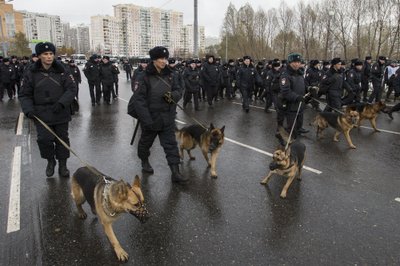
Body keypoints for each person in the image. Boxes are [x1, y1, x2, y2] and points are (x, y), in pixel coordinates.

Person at [19, 42, 76, 177]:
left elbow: (71, 89)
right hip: (41, 114)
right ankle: (51, 162)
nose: (49, 57)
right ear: (39, 56)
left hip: (60, 112)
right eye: (45, 54)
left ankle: (63, 165)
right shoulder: (31, 73)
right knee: (44, 140)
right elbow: (24, 94)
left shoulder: (63, 70)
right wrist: (29, 110)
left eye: (51, 53)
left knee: (62, 140)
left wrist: (62, 103)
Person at [132, 46, 187, 183]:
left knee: (171, 146)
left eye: (165, 58)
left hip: (167, 117)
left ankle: (175, 173)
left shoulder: (171, 74)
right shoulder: (144, 76)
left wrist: (173, 95)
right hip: (151, 119)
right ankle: (144, 161)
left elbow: (179, 89)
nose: (164, 61)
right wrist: (147, 120)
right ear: (154, 60)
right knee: (145, 145)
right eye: (161, 58)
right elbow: (139, 101)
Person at [279, 52, 308, 138]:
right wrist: (297, 97)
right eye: (294, 62)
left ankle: (294, 146)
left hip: (300, 106)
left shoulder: (300, 73)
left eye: (298, 62)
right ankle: (285, 145)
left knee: (298, 128)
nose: (297, 64)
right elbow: (286, 91)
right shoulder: (285, 75)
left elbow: (302, 86)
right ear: (290, 63)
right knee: (291, 130)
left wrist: (309, 89)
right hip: (291, 107)